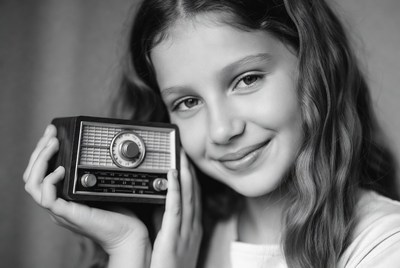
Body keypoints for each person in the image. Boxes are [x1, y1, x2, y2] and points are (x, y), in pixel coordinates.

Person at [23, 0, 400, 267]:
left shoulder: (384, 245)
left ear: (316, 69)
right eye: (187, 102)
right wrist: (127, 248)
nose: (222, 130)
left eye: (247, 80)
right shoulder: (180, 240)